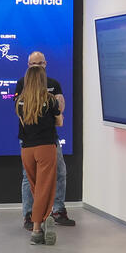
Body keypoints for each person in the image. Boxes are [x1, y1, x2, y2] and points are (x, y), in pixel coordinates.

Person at [14, 52, 75, 229]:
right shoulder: (21, 84)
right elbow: (23, 115)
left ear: (45, 64)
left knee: (59, 172)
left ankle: (57, 211)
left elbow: (60, 109)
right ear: (28, 65)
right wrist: (47, 115)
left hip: (49, 139)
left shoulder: (54, 84)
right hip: (31, 141)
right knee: (30, 179)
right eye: (33, 64)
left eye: (40, 63)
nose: (37, 67)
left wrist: (48, 114)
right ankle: (30, 216)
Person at [16, 65, 63, 246]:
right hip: (46, 147)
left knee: (36, 188)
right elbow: (59, 122)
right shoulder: (50, 100)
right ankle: (38, 228)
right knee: (44, 188)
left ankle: (43, 220)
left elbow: (24, 122)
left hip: (27, 149)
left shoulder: (20, 101)